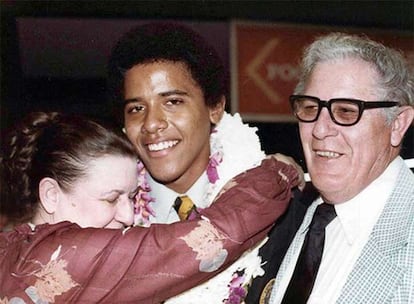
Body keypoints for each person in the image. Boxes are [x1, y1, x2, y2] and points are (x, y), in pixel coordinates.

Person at [0, 111, 301, 303]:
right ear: (51, 195)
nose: (129, 215)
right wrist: (278, 171)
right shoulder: (62, 254)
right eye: (110, 198)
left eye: (131, 197)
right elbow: (214, 235)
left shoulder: (14, 250)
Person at [107, 22, 307, 302]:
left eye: (172, 102)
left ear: (215, 108)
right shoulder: (106, 220)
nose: (151, 124)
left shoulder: (279, 209)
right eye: (137, 108)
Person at [259, 33, 414, 304]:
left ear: (398, 124)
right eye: (310, 108)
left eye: (345, 111)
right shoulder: (303, 216)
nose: (319, 130)